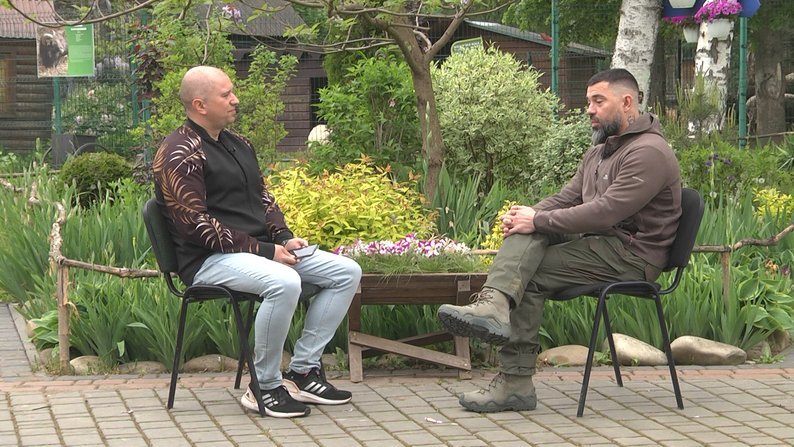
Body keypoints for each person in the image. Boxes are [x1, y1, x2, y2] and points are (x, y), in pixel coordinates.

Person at [437, 68, 682, 413]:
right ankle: (494, 305)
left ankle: (514, 383)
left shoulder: (649, 152)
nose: (589, 109)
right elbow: (567, 198)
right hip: (599, 243)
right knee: (528, 230)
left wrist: (536, 219)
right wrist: (528, 215)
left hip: (632, 256)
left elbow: (605, 212)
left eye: (598, 101)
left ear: (627, 102)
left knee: (527, 274)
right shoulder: (599, 152)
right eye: (588, 102)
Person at [152, 66, 362, 418]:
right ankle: (263, 385)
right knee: (284, 282)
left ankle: (303, 371)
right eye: (226, 95)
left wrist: (283, 238)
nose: (235, 100)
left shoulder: (238, 144)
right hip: (207, 260)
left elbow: (263, 198)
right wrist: (265, 251)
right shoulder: (179, 152)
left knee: (346, 272)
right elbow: (194, 226)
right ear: (200, 105)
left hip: (258, 252)